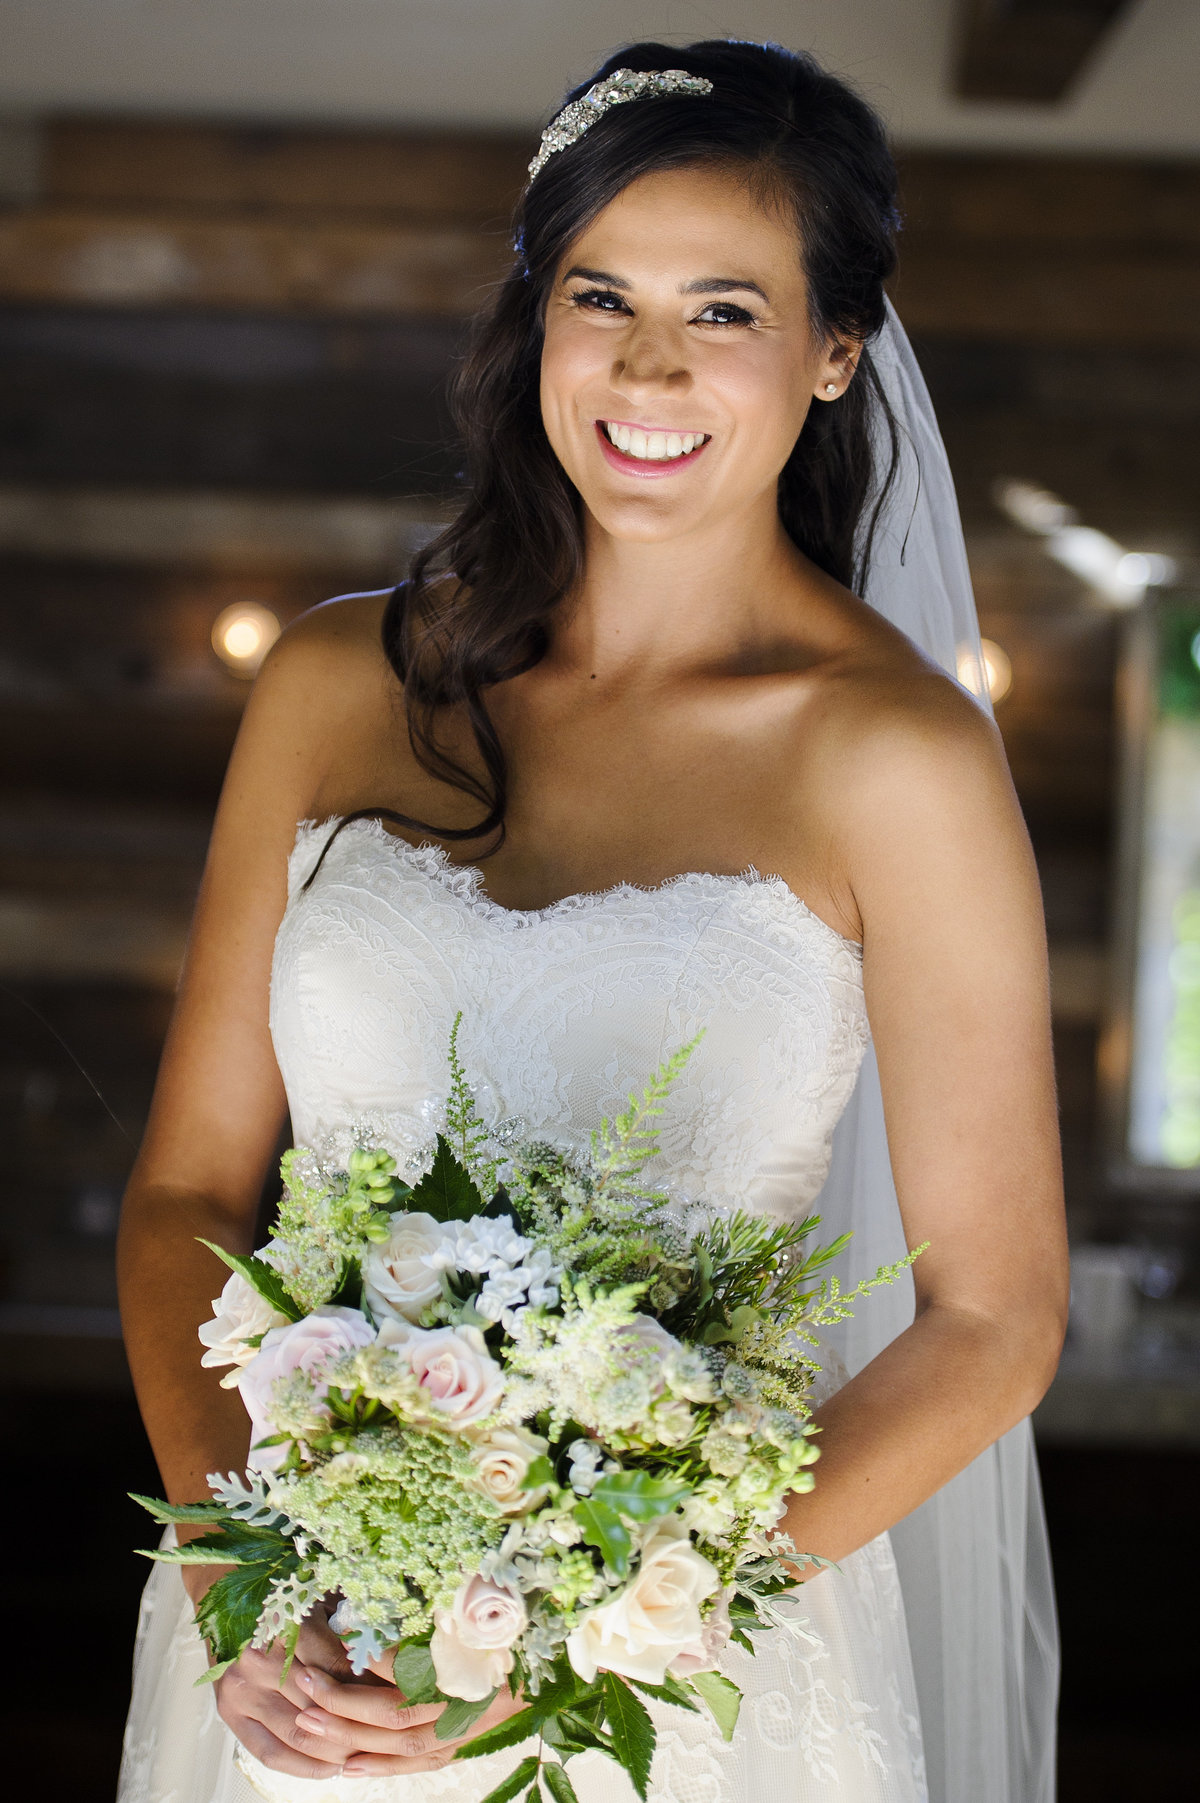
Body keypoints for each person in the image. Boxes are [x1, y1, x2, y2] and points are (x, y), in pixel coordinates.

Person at [117, 38, 1068, 1803]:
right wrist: (222, 1557)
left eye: (725, 309)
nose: (648, 364)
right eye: (600, 294)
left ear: (835, 353)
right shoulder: (333, 685)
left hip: (683, 1692)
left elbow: (996, 1321)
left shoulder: (895, 757)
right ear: (535, 320)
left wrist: (595, 1632)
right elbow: (184, 1192)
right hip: (299, 1652)